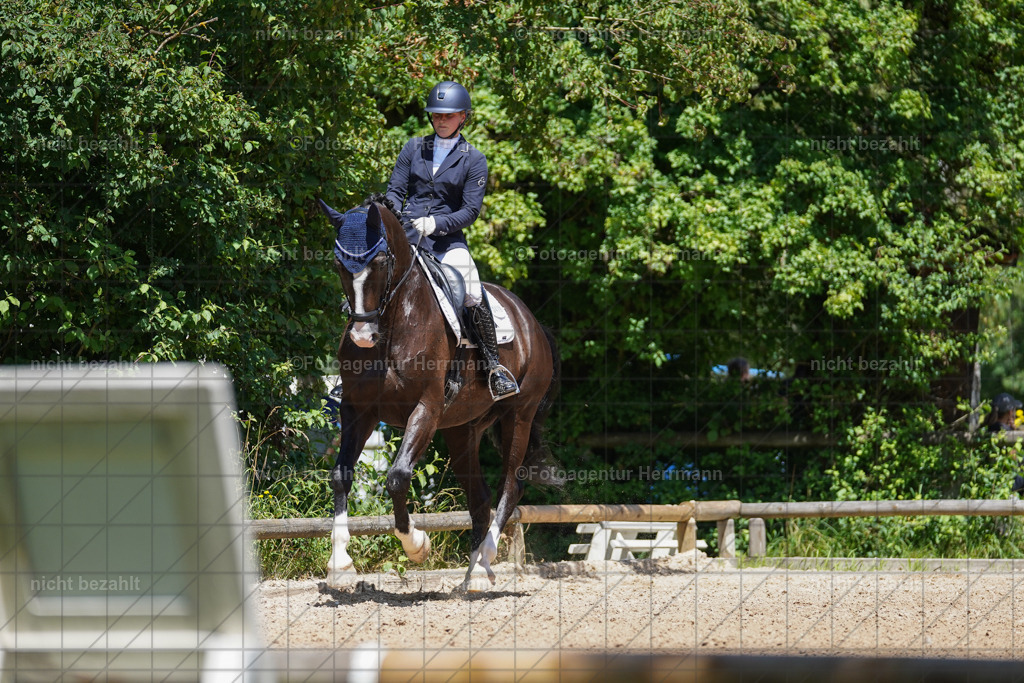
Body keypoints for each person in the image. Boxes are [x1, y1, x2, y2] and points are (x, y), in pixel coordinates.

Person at [385, 80, 519, 401]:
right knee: (370, 274)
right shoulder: (413, 148)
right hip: (408, 236)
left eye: (448, 115)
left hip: (447, 242)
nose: (440, 120)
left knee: (472, 289)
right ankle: (357, 360)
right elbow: (394, 191)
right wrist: (392, 215)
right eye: (436, 115)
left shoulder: (474, 159)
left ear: (463, 117)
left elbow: (470, 211)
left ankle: (493, 366)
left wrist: (436, 223)